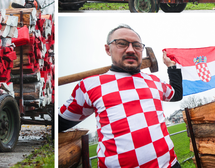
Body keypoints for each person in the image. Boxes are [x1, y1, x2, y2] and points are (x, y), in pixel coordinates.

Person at [59, 24, 183, 168]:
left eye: (136, 46)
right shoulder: (89, 86)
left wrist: (171, 66)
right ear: (108, 49)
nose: (131, 49)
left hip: (170, 164)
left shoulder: (154, 81)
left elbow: (176, 94)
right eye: (122, 43)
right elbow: (61, 122)